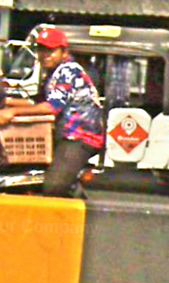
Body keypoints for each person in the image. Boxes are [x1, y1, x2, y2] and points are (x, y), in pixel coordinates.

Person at [0, 27, 104, 197]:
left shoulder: (69, 71)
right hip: (64, 135)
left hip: (79, 137)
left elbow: (52, 107)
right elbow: (37, 103)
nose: (45, 55)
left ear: (64, 52)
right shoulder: (52, 74)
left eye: (51, 51)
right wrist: (7, 103)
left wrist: (12, 113)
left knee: (54, 187)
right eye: (42, 50)